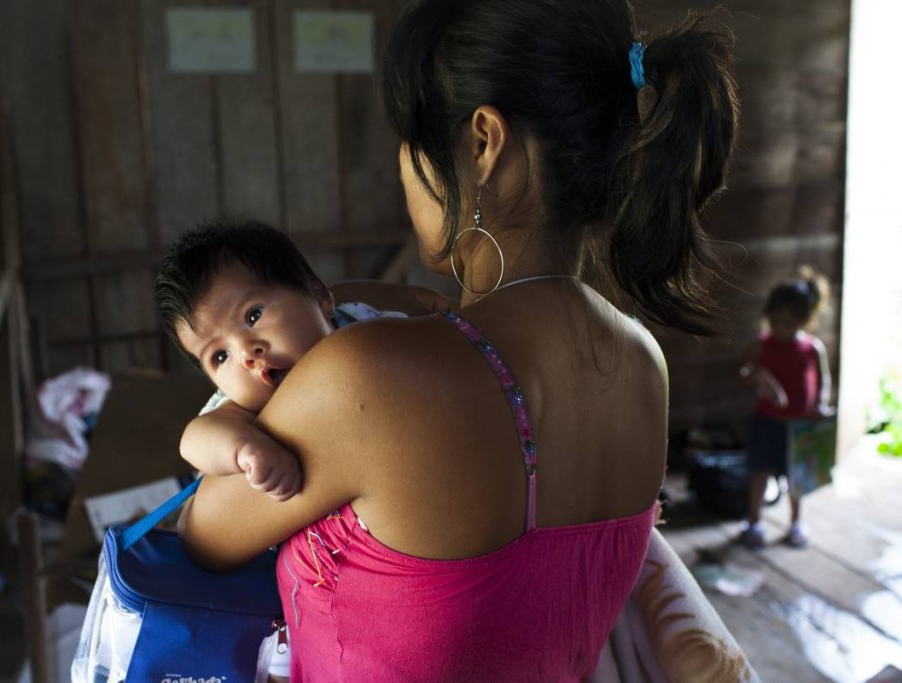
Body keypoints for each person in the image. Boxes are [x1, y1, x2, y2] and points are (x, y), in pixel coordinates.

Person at [177, 0, 740, 679]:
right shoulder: (642, 363)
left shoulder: (371, 377)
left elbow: (205, 534)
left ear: (481, 144)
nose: (404, 167)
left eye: (410, 140)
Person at [156, 218, 452, 498]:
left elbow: (425, 337)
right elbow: (193, 441)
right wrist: (247, 450)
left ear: (319, 295)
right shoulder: (242, 411)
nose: (246, 352)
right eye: (220, 356)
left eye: (253, 315)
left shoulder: (366, 326)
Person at [738, 266, 832, 549]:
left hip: (799, 425)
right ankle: (754, 523)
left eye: (788, 323)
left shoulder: (812, 348)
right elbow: (742, 371)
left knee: (796, 479)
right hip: (767, 421)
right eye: (775, 321)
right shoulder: (761, 344)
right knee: (759, 473)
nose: (780, 328)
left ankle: (795, 524)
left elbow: (824, 378)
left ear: (804, 321)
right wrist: (757, 378)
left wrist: (820, 404)